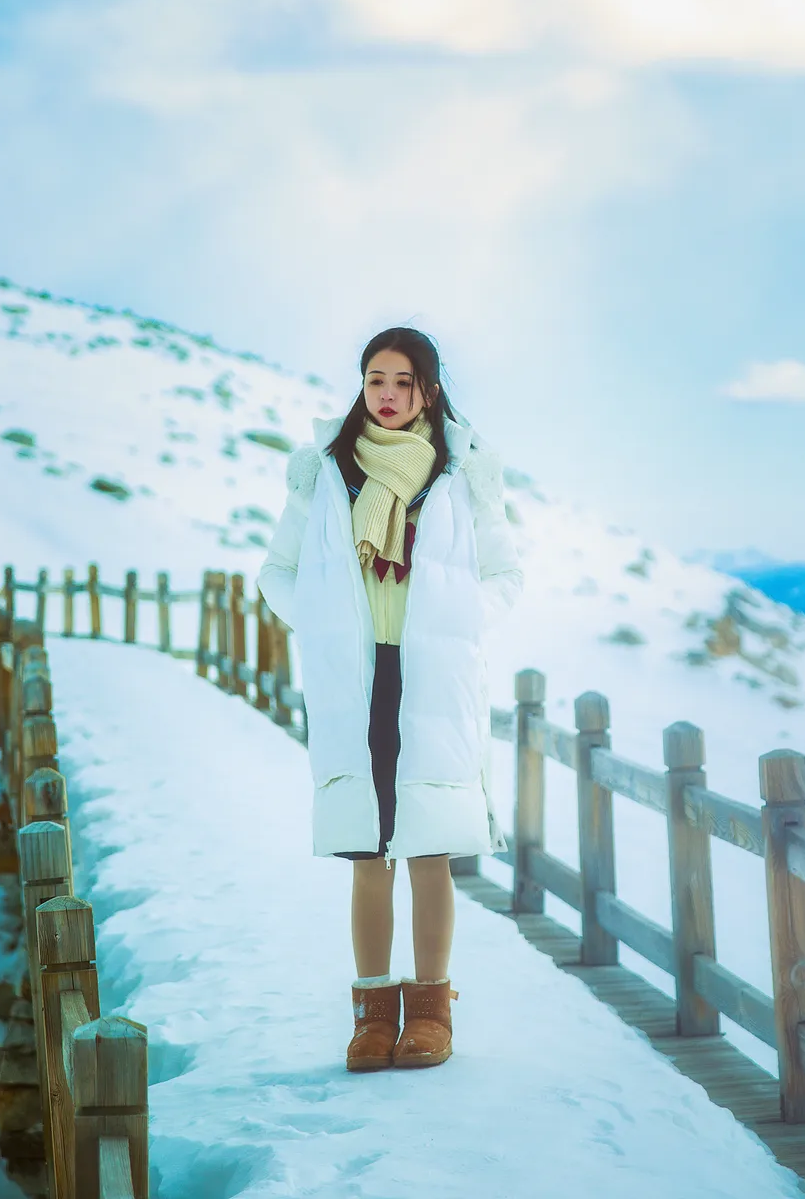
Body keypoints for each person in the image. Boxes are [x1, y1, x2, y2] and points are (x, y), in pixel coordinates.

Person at [257, 326, 523, 1073]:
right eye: (376, 378)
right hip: (355, 681)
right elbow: (277, 571)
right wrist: (321, 621)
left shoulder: (463, 476)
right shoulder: (324, 473)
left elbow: (504, 576)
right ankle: (373, 1016)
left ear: (428, 391)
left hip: (432, 680)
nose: (388, 393)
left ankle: (432, 1013)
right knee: (367, 854)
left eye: (404, 381)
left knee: (428, 848)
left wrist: (457, 621)